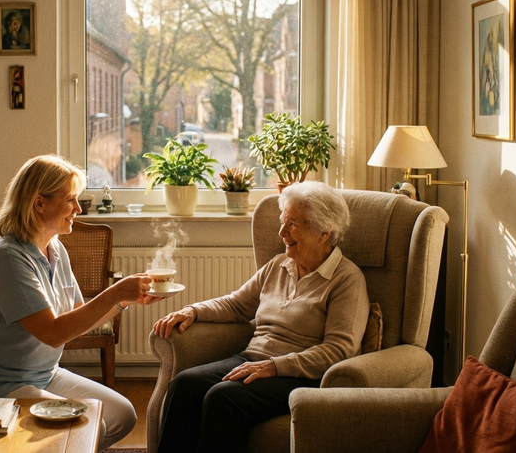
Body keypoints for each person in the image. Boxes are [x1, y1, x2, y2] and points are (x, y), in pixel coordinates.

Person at [0, 154, 160, 450]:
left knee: (121, 415)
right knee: (88, 424)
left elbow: (76, 314)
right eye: (70, 200)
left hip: (43, 375)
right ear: (40, 203)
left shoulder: (54, 247)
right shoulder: (8, 257)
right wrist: (115, 293)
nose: (78, 208)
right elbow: (53, 333)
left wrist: (125, 299)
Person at [152, 181, 369, 453]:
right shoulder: (279, 265)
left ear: (324, 231)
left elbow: (339, 351)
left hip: (301, 376)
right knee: (185, 385)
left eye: (293, 224)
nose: (281, 232)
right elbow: (237, 305)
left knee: (223, 398)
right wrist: (193, 311)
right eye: (282, 221)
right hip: (252, 360)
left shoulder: (346, 280)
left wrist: (274, 366)